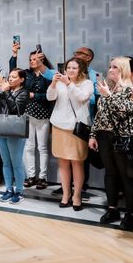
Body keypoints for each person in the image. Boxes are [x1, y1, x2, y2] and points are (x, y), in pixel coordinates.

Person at [89, 57, 133, 228]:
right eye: (110, 66)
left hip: (122, 137)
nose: (110, 69)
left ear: (123, 69)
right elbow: (100, 113)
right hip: (104, 136)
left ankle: (131, 214)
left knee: (127, 176)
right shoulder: (108, 87)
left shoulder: (131, 89)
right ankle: (112, 209)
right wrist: (93, 135)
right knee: (110, 173)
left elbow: (124, 111)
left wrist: (107, 96)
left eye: (115, 67)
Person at [47, 58, 93, 211]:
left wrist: (68, 83)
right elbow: (50, 97)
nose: (71, 70)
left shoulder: (87, 83)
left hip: (76, 128)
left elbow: (81, 97)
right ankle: (66, 194)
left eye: (74, 68)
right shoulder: (60, 83)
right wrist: (54, 83)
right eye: (68, 67)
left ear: (81, 70)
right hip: (59, 125)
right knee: (63, 162)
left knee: (77, 162)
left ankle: (77, 195)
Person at [10, 45, 53, 189]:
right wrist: (14, 54)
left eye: (35, 59)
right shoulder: (27, 74)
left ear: (42, 60)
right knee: (29, 146)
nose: (32, 61)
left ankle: (43, 177)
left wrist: (35, 95)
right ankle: (31, 176)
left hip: (43, 114)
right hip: (27, 113)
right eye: (30, 59)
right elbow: (13, 72)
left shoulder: (48, 75)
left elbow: (51, 95)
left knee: (42, 147)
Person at [0, 68, 30, 204]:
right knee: (6, 163)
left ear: (22, 79)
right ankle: (8, 189)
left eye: (14, 77)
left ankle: (19, 191)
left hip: (15, 131)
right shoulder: (5, 92)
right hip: (2, 128)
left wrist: (6, 92)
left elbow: (15, 109)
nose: (10, 79)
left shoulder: (24, 93)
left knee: (16, 163)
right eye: (9, 77)